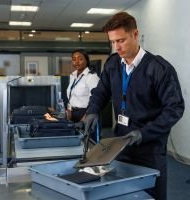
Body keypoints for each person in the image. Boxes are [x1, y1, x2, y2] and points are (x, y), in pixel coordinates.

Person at [84, 12, 184, 200]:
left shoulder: (159, 69)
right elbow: (101, 92)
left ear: (135, 34)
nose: (116, 47)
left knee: (151, 196)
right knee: (124, 194)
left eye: (121, 40)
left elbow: (175, 108)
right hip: (120, 146)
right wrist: (93, 110)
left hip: (149, 150)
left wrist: (143, 133)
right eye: (112, 42)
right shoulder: (113, 63)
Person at [66, 49, 100, 124]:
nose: (76, 62)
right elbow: (72, 97)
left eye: (80, 59)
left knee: (86, 135)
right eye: (74, 59)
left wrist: (85, 118)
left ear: (86, 61)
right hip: (71, 114)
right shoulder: (73, 76)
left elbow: (96, 100)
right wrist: (69, 112)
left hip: (85, 114)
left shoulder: (92, 77)